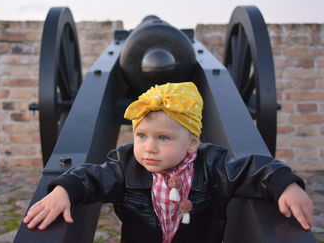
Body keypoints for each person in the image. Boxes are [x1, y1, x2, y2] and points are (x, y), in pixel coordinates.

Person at [23, 82, 313, 243]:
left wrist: (284, 185)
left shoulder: (214, 165)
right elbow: (93, 177)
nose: (149, 148)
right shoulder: (124, 165)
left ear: (192, 143)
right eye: (141, 135)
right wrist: (64, 191)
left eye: (163, 138)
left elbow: (254, 169)